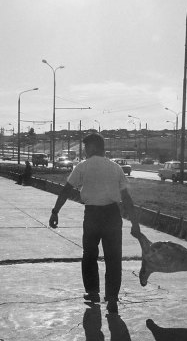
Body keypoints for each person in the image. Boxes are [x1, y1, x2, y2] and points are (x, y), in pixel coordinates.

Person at [49, 132, 140, 315]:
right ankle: (112, 299)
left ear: (93, 147)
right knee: (113, 258)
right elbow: (126, 197)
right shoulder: (115, 168)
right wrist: (135, 223)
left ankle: (93, 292)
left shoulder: (82, 166)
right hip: (112, 215)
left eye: (85, 147)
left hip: (92, 216)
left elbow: (66, 190)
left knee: (89, 255)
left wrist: (55, 211)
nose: (84, 150)